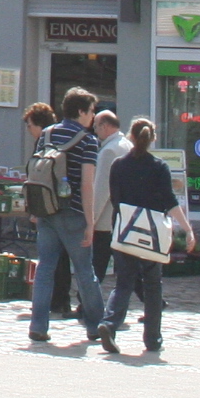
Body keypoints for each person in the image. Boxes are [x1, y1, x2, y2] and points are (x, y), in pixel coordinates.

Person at [93, 117, 195, 355]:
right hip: (152, 233)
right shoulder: (159, 167)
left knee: (123, 283)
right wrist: (187, 229)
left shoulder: (118, 165)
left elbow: (116, 199)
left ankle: (109, 323)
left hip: (124, 228)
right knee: (152, 285)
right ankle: (152, 337)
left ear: (130, 136)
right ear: (152, 139)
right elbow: (170, 202)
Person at [27, 87, 103, 344]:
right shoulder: (88, 141)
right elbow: (87, 184)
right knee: (84, 270)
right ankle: (95, 325)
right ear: (81, 111)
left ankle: (38, 325)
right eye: (92, 111)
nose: (93, 116)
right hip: (73, 212)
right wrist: (91, 222)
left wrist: (35, 210)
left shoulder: (46, 134)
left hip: (46, 209)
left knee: (45, 268)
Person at [21, 102, 69, 318]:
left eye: (30, 125)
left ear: (40, 125)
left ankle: (52, 302)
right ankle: (61, 300)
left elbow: (38, 179)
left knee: (50, 259)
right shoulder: (59, 139)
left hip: (48, 207)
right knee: (63, 257)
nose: (29, 130)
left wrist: (34, 208)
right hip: (63, 205)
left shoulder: (43, 143)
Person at [88, 110, 129, 285]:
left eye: (96, 126)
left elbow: (102, 190)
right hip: (123, 217)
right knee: (127, 267)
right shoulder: (126, 145)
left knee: (96, 267)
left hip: (106, 221)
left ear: (105, 126)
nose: (95, 131)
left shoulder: (109, 151)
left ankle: (86, 305)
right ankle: (153, 300)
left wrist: (91, 220)